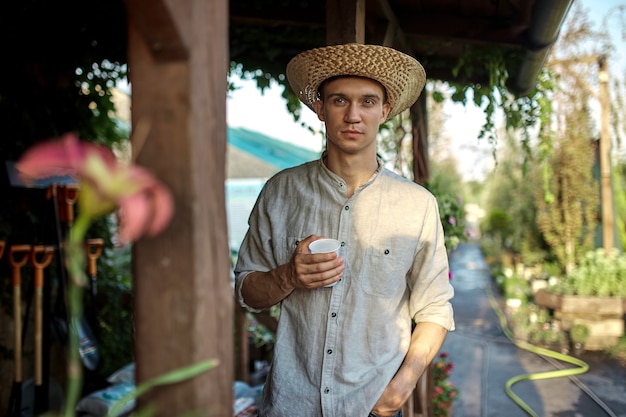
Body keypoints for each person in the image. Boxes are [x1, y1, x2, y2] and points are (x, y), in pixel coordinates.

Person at [234, 43, 455, 417]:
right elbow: (246, 291)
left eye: (368, 102)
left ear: (385, 110)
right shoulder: (280, 191)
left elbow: (435, 308)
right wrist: (288, 275)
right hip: (292, 402)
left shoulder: (416, 205)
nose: (353, 115)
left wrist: (402, 386)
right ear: (320, 108)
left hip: (372, 404)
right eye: (339, 101)